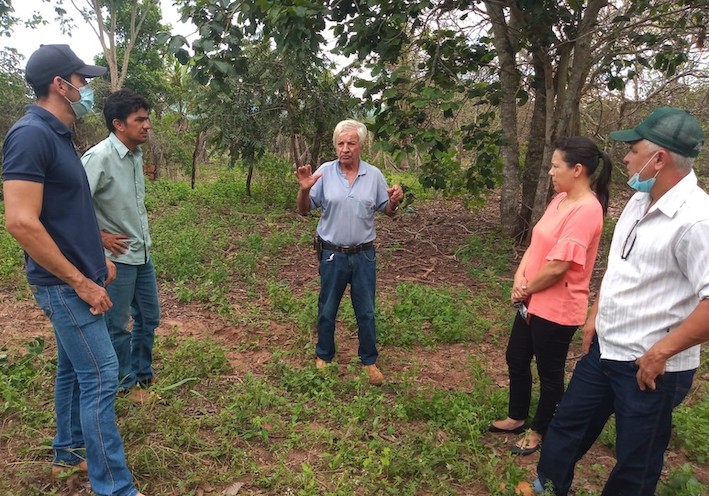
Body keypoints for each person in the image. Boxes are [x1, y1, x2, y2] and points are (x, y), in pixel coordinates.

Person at [534, 107, 709, 496]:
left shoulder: (696, 220)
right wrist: (595, 314)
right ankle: (546, 487)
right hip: (605, 349)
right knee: (567, 426)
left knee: (637, 456)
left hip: (651, 367)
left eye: (633, 149)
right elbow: (619, 268)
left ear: (658, 158)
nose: (626, 158)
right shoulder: (636, 201)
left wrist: (660, 352)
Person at [2, 44, 145, 496]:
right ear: (59, 85)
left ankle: (69, 452)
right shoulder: (30, 136)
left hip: (79, 274)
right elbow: (21, 221)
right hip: (63, 286)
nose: (86, 88)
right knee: (102, 375)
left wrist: (94, 255)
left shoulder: (59, 135)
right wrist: (79, 281)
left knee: (73, 367)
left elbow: (69, 211)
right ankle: (115, 488)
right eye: (81, 80)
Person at [489, 137, 612, 456]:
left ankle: (539, 430)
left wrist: (526, 288)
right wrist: (519, 278)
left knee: (550, 372)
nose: (550, 172)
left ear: (578, 170)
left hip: (557, 308)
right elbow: (536, 243)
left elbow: (559, 267)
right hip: (531, 300)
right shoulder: (560, 200)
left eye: (556, 166)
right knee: (516, 357)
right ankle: (516, 416)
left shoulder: (587, 209)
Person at [295, 119, 404, 386]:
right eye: (340, 143)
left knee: (365, 310)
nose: (345, 149)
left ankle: (369, 360)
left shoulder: (374, 175)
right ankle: (324, 355)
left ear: (361, 147)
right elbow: (303, 210)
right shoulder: (324, 172)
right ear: (335, 146)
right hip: (332, 254)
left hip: (363, 255)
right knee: (327, 308)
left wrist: (393, 202)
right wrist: (304, 190)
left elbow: (387, 211)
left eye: (351, 143)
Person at [82, 90, 159, 402]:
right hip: (115, 260)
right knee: (117, 324)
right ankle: (123, 381)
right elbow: (73, 208)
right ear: (118, 124)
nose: (147, 125)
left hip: (141, 254)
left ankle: (142, 371)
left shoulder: (135, 157)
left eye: (147, 118)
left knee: (149, 317)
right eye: (139, 119)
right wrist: (100, 238)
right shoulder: (98, 158)